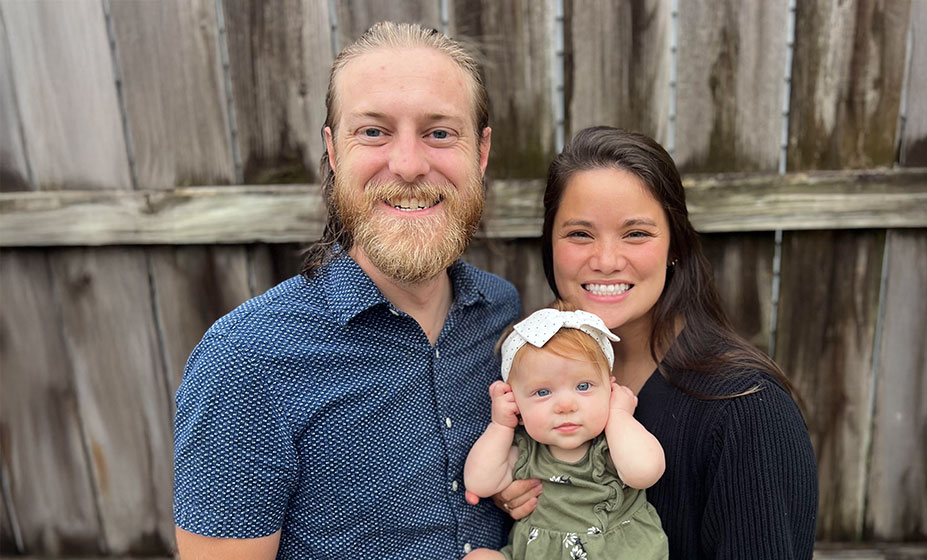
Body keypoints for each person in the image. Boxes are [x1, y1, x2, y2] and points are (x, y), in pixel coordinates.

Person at [172, 22, 520, 559]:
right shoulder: (244, 361)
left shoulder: (501, 314)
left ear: (481, 151)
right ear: (334, 153)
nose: (407, 165)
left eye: (440, 132)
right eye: (374, 132)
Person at [488, 126, 819, 559]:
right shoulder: (530, 374)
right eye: (580, 234)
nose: (606, 261)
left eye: (637, 233)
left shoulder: (746, 409)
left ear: (674, 246)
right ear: (550, 246)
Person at [463, 304, 670, 559]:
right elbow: (479, 483)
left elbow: (645, 472)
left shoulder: (614, 442)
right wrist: (500, 426)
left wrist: (619, 415)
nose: (565, 406)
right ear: (515, 402)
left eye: (583, 386)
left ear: (611, 389)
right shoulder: (528, 449)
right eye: (542, 392)